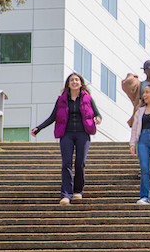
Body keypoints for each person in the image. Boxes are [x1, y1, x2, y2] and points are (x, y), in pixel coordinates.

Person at [31, 73, 101, 205]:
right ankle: (66, 195)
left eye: (77, 80)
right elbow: (52, 117)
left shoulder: (87, 98)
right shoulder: (61, 100)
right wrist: (38, 128)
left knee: (80, 163)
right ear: (68, 84)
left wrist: (98, 118)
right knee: (66, 164)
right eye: (71, 80)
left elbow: (97, 113)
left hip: (83, 134)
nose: (74, 82)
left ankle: (78, 191)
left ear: (81, 83)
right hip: (66, 134)